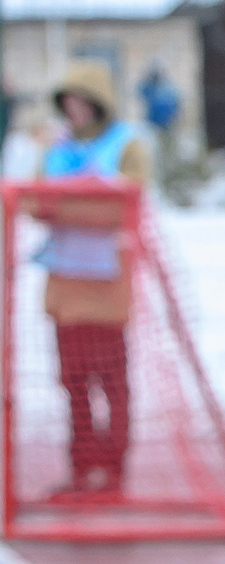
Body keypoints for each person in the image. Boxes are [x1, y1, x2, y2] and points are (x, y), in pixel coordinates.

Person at [36, 63, 152, 499]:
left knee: (113, 384)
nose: (74, 109)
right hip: (65, 289)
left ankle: (115, 469)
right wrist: (77, 203)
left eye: (83, 101)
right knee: (73, 385)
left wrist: (65, 205)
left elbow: (124, 206)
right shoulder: (56, 147)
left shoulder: (126, 145)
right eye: (68, 101)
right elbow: (31, 201)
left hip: (107, 291)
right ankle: (83, 468)